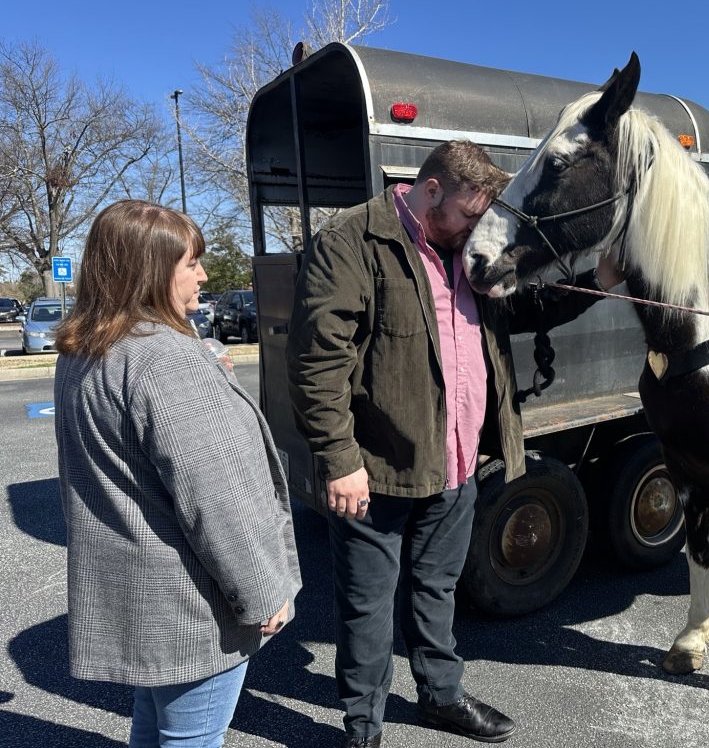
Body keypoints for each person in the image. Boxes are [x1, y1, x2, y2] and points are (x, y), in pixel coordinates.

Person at [286, 140, 622, 747]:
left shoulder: (466, 253)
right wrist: (339, 461)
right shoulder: (354, 242)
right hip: (379, 468)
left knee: (437, 589)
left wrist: (592, 285)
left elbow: (524, 309)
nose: (476, 229)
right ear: (431, 190)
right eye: (471, 214)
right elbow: (318, 364)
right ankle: (363, 725)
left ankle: (440, 697)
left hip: (458, 463)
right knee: (367, 603)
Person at [54, 200, 302, 748]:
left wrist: (199, 360)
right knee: (190, 739)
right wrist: (264, 592)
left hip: (140, 596)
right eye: (192, 263)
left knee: (156, 729)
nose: (205, 276)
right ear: (150, 270)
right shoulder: (163, 360)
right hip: (190, 605)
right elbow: (217, 500)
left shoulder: (87, 347)